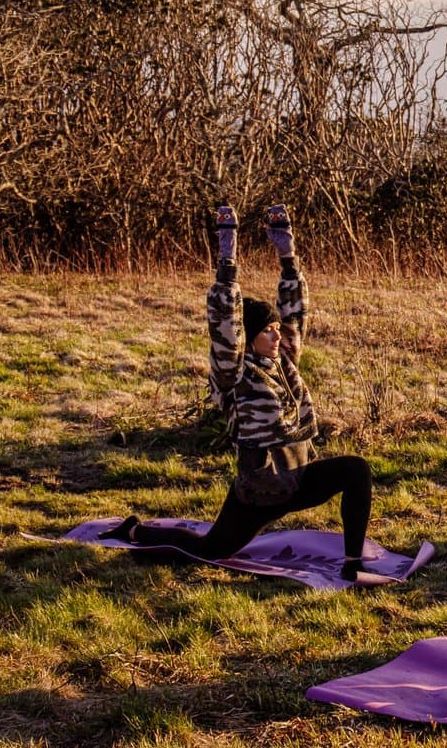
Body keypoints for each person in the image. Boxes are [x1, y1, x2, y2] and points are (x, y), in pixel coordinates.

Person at [107, 205, 375, 581]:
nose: (277, 334)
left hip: (298, 477)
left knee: (356, 471)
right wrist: (227, 257)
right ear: (248, 340)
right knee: (208, 550)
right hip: (261, 491)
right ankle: (135, 530)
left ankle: (352, 564)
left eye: (276, 329)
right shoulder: (234, 374)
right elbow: (225, 321)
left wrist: (287, 254)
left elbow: (294, 312)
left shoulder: (283, 360)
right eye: (267, 331)